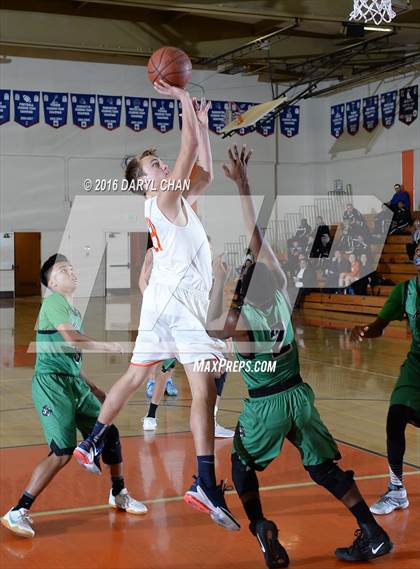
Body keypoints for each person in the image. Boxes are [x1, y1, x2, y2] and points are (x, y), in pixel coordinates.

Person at [206, 145, 392, 566]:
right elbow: (256, 238)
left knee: (240, 467)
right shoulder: (280, 293)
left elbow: (212, 328)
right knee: (323, 466)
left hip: (267, 405)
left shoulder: (244, 317)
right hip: (300, 398)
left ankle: (262, 528)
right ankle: (372, 530)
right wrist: (243, 185)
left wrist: (219, 284)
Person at [73, 82, 239, 531]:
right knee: (203, 391)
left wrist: (202, 125)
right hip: (179, 308)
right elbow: (188, 153)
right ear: (143, 182)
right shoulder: (163, 200)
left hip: (163, 304)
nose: (162, 165)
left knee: (137, 375)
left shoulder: (177, 195)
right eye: (153, 165)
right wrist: (183, 99)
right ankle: (204, 482)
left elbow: (203, 170)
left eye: (160, 162)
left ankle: (90, 444)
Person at [1, 255, 147, 538]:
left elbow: (71, 359)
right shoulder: (54, 301)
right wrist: (107, 347)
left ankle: (119, 493)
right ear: (52, 282)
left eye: (72, 266)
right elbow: (71, 340)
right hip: (51, 385)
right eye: (63, 270)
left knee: (110, 433)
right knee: (62, 452)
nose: (72, 271)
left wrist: (92, 388)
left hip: (74, 384)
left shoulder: (72, 311)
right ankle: (18, 511)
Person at [351, 243, 420, 515]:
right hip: (416, 363)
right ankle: (396, 489)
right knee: (396, 416)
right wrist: (366, 331)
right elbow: (379, 325)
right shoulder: (405, 291)